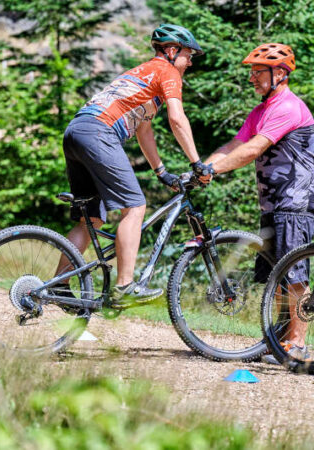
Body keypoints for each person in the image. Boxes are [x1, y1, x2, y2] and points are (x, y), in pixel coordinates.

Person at [54, 24, 213, 309]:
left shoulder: (142, 72)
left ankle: (58, 285)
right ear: (172, 51)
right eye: (189, 54)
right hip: (99, 133)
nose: (190, 61)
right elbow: (178, 119)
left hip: (76, 131)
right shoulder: (168, 73)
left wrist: (162, 172)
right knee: (136, 207)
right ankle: (124, 287)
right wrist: (197, 163)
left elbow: (144, 131)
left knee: (91, 219)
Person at [201, 43, 314, 362]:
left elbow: (253, 150)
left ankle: (297, 343)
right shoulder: (260, 111)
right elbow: (235, 144)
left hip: (294, 202)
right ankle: (277, 341)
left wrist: (212, 169)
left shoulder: (288, 107)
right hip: (273, 205)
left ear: (279, 73)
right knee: (275, 274)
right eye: (252, 72)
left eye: (258, 72)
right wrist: (202, 167)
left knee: (293, 274)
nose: (252, 78)